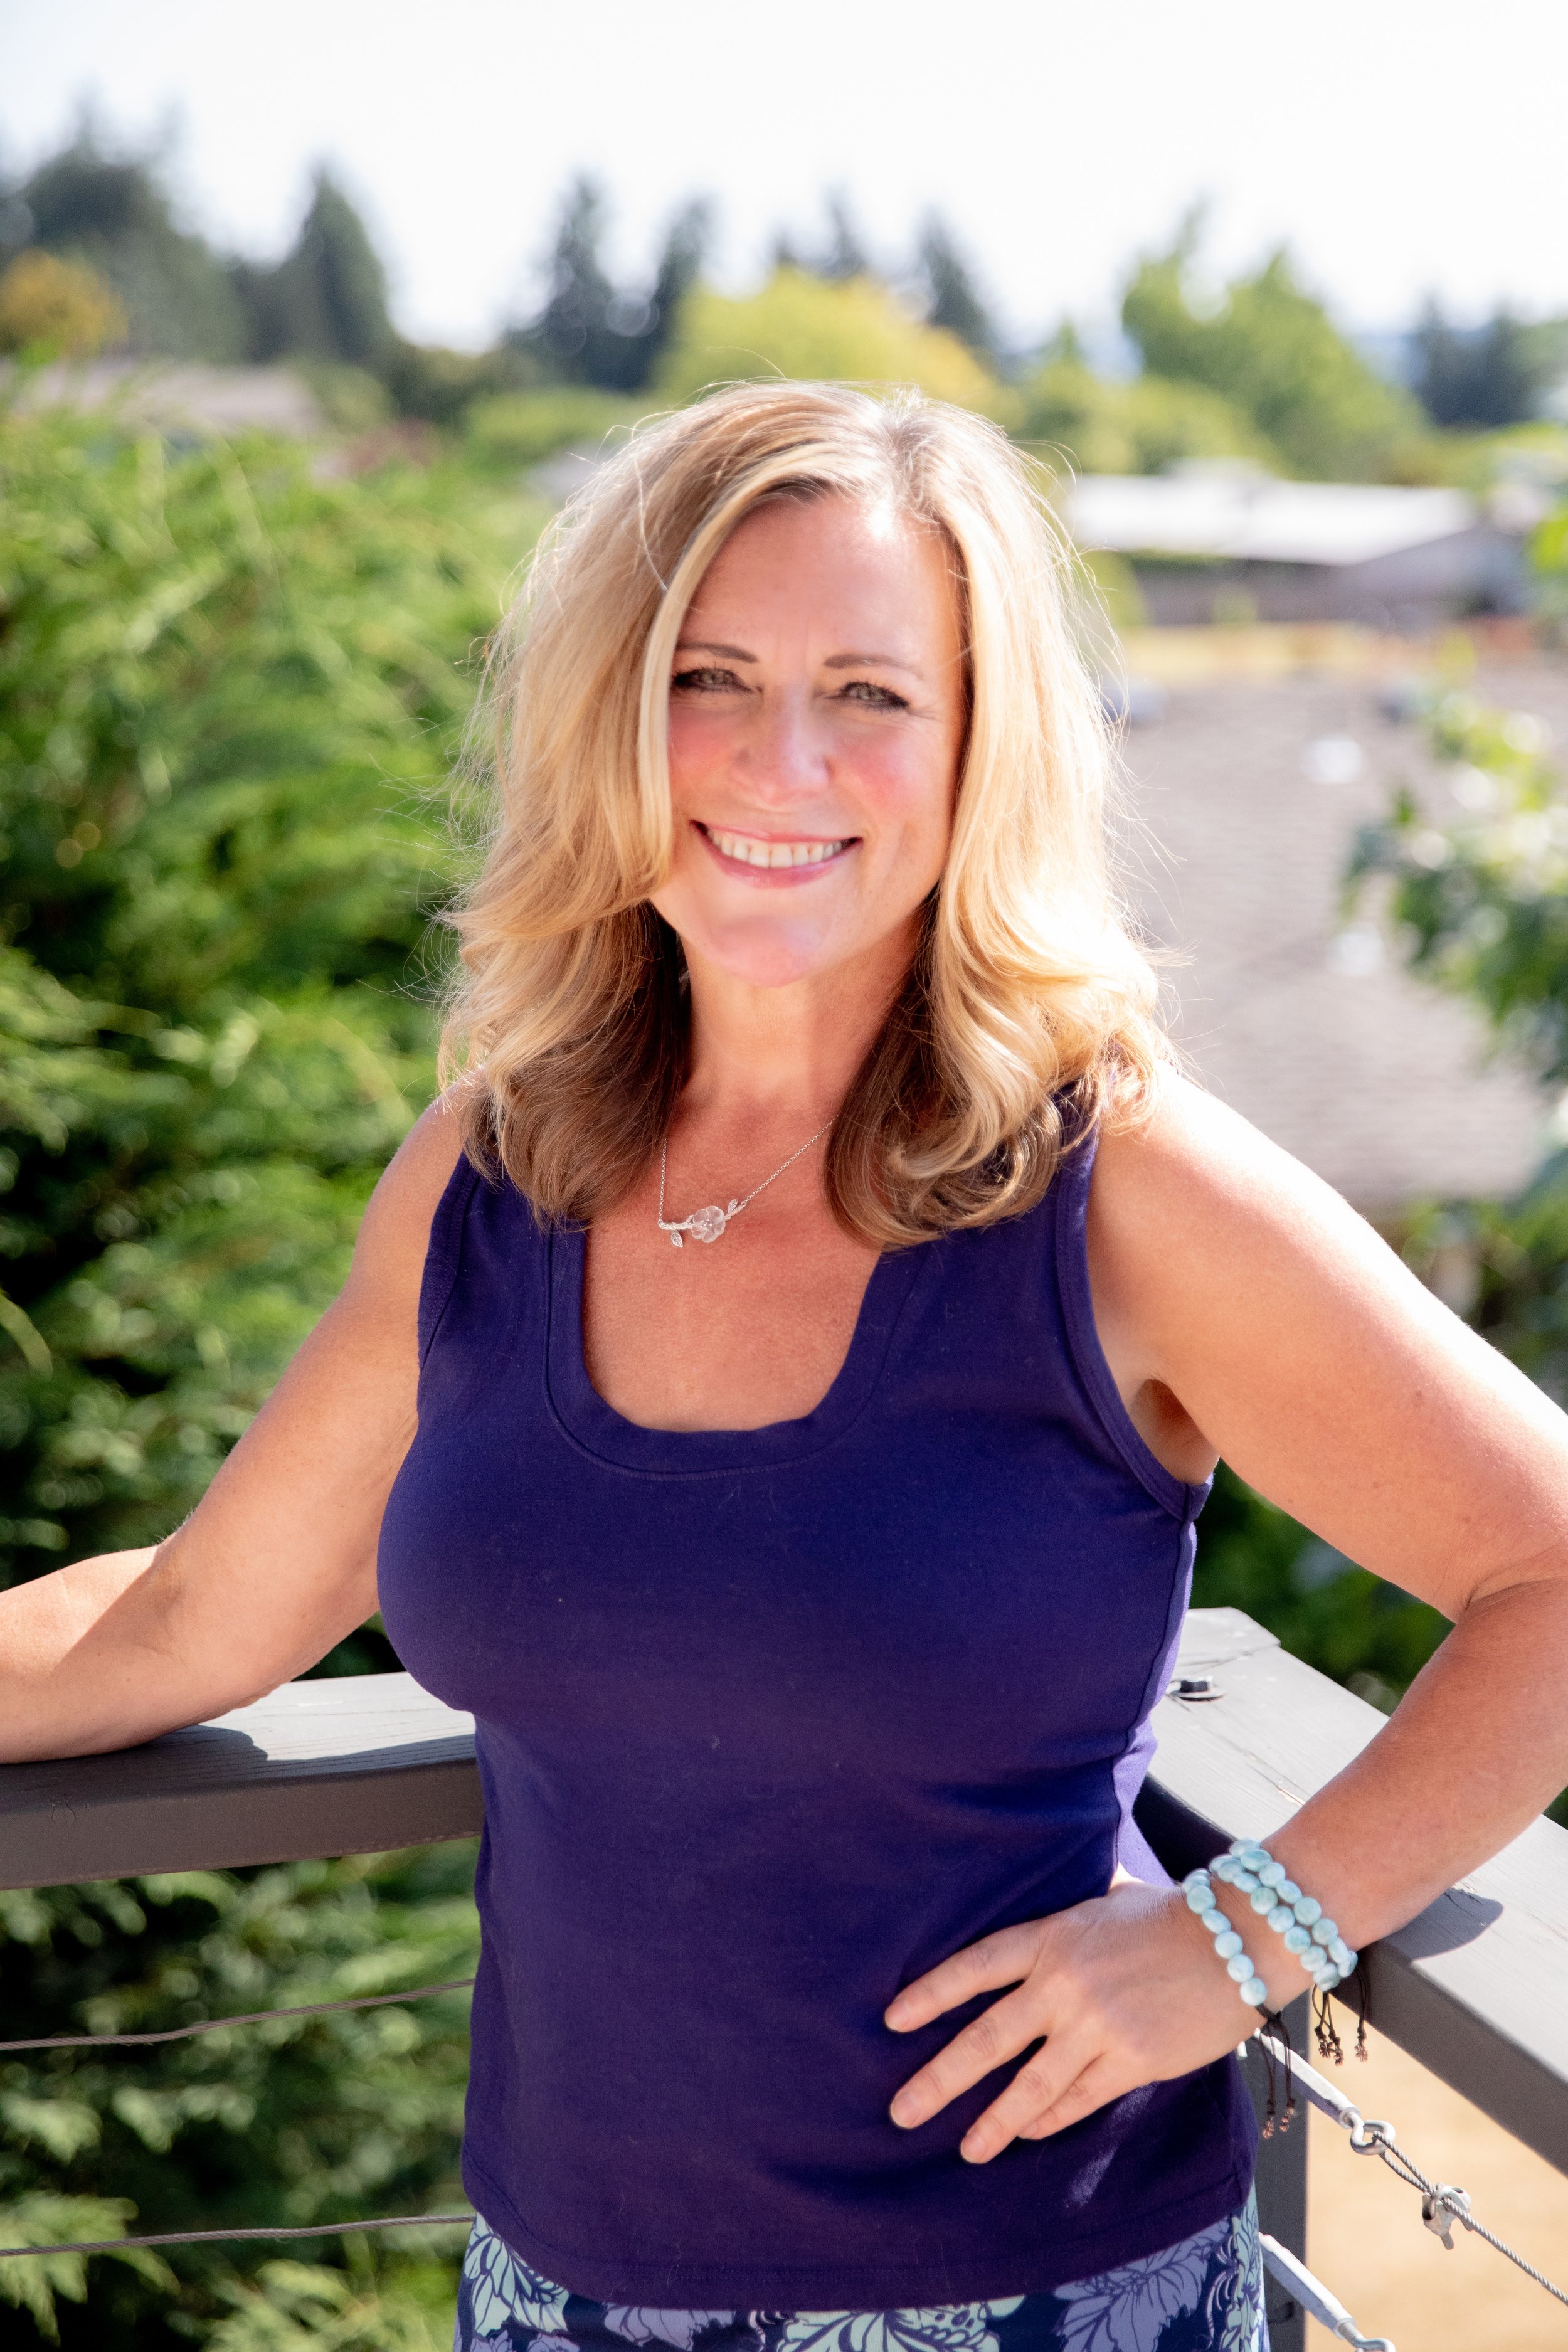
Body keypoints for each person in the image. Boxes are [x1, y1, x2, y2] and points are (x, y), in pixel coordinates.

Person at [6, 383, 1568, 2352]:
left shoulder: (1113, 1185)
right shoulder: (495, 1175)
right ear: (609, 714)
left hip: (1030, 2300)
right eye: (711, 677)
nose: (781, 759)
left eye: (873, 693)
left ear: (979, 746)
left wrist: (1240, 1935)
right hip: (551, 2295)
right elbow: (183, 1620)